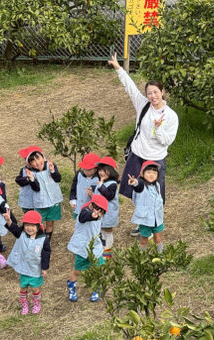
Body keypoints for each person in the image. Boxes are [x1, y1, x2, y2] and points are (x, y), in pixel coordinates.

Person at [108, 53, 178, 237]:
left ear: (162, 92)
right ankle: (142, 221)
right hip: (137, 155)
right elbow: (130, 87)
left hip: (155, 159)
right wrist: (118, 68)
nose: (153, 96)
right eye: (149, 93)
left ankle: (154, 224)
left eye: (156, 92)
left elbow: (167, 141)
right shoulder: (143, 105)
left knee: (155, 195)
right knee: (135, 189)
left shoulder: (170, 116)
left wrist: (159, 129)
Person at [3, 210, 51, 315]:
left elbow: (46, 255)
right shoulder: (22, 234)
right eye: (27, 225)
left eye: (33, 226)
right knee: (23, 287)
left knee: (34, 288)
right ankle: (24, 303)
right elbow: (14, 229)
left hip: (35, 268)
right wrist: (9, 220)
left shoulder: (43, 239)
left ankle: (36, 303)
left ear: (38, 226)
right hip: (24, 268)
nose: (29, 228)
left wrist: (44, 268)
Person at [66, 194, 108, 303]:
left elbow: (97, 231)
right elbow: (83, 217)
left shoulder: (98, 217)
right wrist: (92, 216)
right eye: (98, 209)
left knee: (97, 269)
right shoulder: (84, 212)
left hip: (95, 246)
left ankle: (97, 288)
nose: (99, 213)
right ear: (91, 205)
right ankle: (72, 288)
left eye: (102, 211)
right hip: (82, 247)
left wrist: (102, 242)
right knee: (77, 271)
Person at [18, 146, 63, 239]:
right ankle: (37, 240)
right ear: (29, 164)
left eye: (38, 158)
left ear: (43, 157)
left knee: (50, 222)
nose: (37, 162)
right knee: (37, 223)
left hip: (54, 200)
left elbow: (58, 179)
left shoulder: (51, 165)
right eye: (33, 161)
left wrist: (53, 171)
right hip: (40, 203)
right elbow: (36, 188)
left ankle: (47, 241)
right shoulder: (31, 172)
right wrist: (31, 179)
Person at [127, 161, 165, 254]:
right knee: (144, 240)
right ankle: (141, 257)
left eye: (154, 173)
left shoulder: (157, 185)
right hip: (145, 220)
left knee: (158, 238)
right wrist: (134, 182)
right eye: (148, 172)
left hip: (157, 219)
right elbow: (137, 185)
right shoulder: (142, 185)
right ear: (142, 174)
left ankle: (161, 256)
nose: (151, 175)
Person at [94, 156, 120, 260]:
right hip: (100, 213)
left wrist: (100, 187)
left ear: (111, 171)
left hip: (108, 214)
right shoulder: (102, 182)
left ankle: (107, 251)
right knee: (100, 231)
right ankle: (101, 249)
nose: (101, 173)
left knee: (107, 231)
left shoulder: (112, 184)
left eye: (105, 170)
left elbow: (109, 196)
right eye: (100, 170)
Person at [69, 153, 100, 220]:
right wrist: (72, 199)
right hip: (79, 206)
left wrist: (93, 194)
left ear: (96, 169)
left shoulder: (98, 179)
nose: (86, 171)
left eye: (89, 170)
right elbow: (73, 188)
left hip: (92, 210)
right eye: (84, 169)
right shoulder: (79, 174)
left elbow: (101, 195)